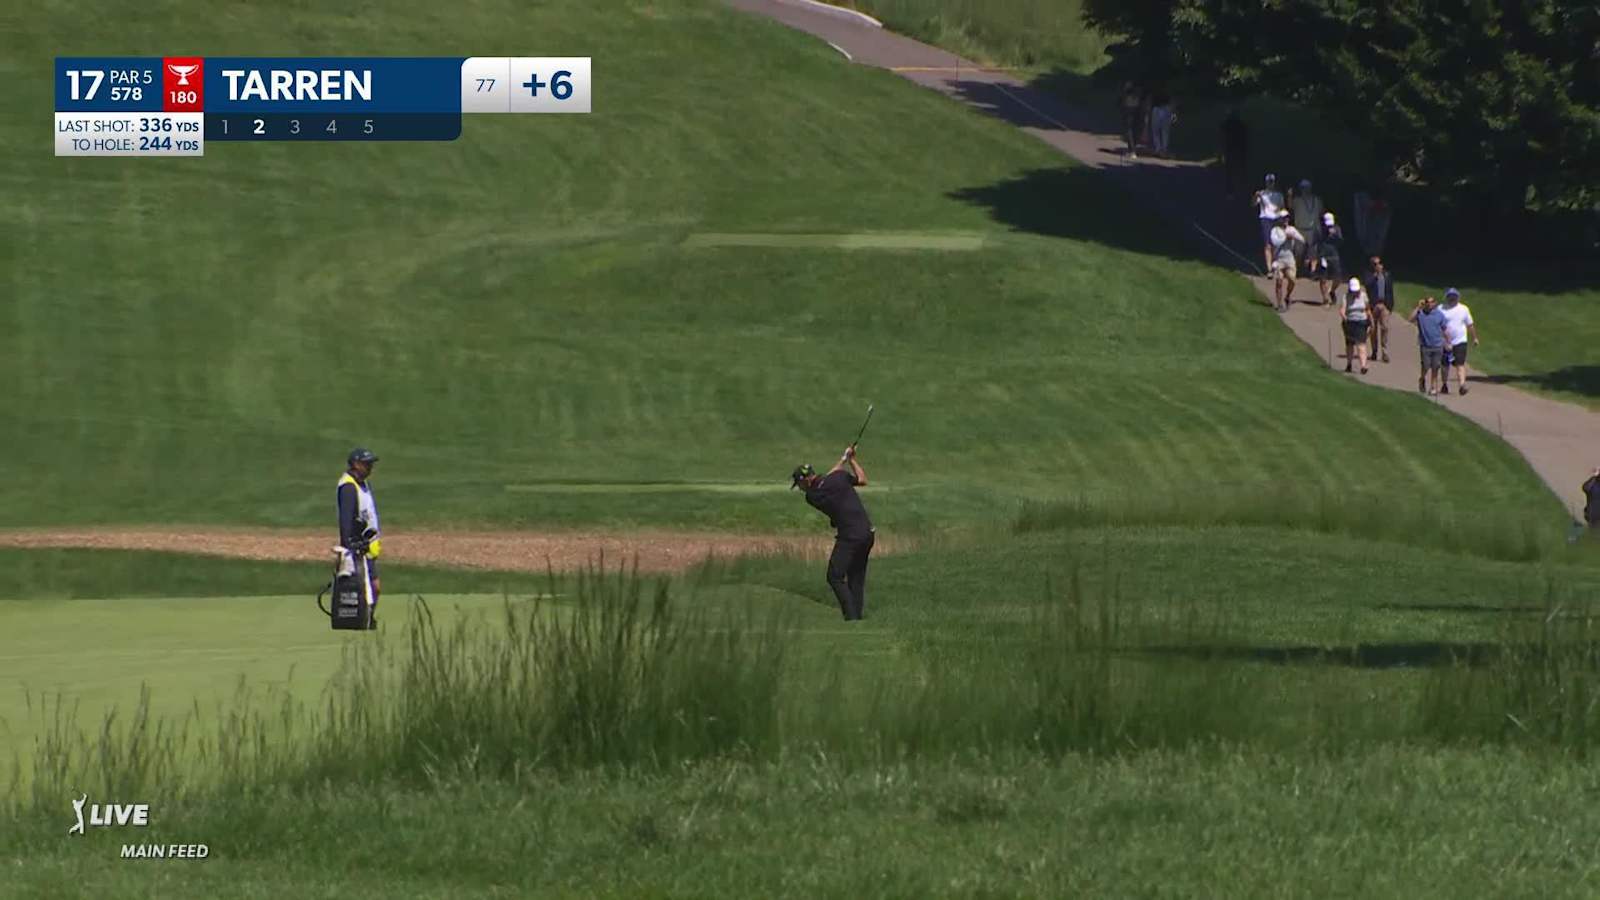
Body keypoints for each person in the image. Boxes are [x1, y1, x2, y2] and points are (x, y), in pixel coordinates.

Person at [792, 446, 875, 621]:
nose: (800, 489)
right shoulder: (839, 478)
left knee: (834, 576)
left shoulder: (812, 497)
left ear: (806, 481)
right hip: (867, 533)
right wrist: (850, 460)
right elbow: (862, 479)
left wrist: (843, 459)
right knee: (856, 578)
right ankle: (856, 620)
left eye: (799, 484)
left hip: (850, 536)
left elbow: (828, 479)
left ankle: (850, 617)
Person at [337, 447, 383, 618]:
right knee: (369, 588)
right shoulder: (348, 486)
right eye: (366, 464)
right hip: (358, 547)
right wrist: (349, 544)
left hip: (368, 546)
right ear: (356, 464)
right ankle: (364, 619)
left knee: (372, 588)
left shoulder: (363, 485)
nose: (370, 467)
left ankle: (367, 618)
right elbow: (346, 518)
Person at [1438, 288, 1479, 395]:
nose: (1452, 298)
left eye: (1454, 296)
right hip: (1445, 342)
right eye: (1450, 296)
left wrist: (1474, 338)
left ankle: (1462, 386)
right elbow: (1436, 324)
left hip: (1460, 341)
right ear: (1447, 297)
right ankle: (1444, 384)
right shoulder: (1441, 309)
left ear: (1457, 297)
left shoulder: (1464, 309)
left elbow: (1470, 324)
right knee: (1445, 365)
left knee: (1460, 364)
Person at [1407, 295, 1447, 395]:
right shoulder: (1420, 313)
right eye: (1427, 302)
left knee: (1436, 366)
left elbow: (1444, 329)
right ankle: (1422, 378)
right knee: (1426, 365)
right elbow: (1410, 319)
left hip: (1438, 345)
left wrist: (1448, 342)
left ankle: (1433, 387)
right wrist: (1418, 307)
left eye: (1431, 302)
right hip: (1425, 345)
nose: (1429, 304)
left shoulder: (1439, 315)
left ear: (1435, 303)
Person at [1269, 215, 1306, 311]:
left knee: (1292, 280)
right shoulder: (1275, 231)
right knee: (1279, 281)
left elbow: (1302, 239)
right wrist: (1285, 237)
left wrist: (1295, 237)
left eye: (1287, 218)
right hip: (1279, 259)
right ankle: (1279, 303)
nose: (1286, 220)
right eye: (1284, 218)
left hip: (1289, 258)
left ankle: (1288, 296)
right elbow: (1275, 242)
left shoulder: (1291, 229)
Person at [1364, 256, 1396, 363]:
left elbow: (1390, 291)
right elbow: (1367, 285)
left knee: (1385, 328)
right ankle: (1374, 351)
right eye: (1375, 264)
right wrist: (1375, 276)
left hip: (1384, 305)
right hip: (1373, 305)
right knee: (1373, 329)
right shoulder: (1369, 275)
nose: (1377, 266)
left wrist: (1390, 305)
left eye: (1379, 263)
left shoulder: (1387, 276)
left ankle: (1385, 352)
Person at [1253, 174, 1285, 273]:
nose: (1270, 183)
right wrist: (1256, 196)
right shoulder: (1262, 194)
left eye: (1272, 182)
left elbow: (1282, 207)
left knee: (1276, 243)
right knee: (1267, 245)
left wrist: (1279, 211)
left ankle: (1276, 265)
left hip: (1276, 218)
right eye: (1269, 182)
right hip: (1266, 219)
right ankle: (1269, 269)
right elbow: (1254, 204)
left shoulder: (1279, 195)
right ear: (1266, 182)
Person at [1311, 212, 1346, 306]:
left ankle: (1332, 290)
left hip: (1334, 255)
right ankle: (1325, 298)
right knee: (1323, 278)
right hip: (1323, 255)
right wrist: (1314, 257)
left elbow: (1341, 242)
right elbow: (1314, 243)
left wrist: (1335, 235)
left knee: (1338, 278)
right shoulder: (1319, 230)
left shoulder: (1337, 228)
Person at [1340, 277, 1371, 375]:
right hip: (1350, 322)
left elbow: (1367, 309)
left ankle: (1363, 366)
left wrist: (1371, 320)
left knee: (1361, 344)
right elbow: (1342, 309)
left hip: (1361, 322)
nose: (1355, 293)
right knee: (1350, 344)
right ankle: (1349, 364)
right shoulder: (1346, 297)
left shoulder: (1363, 296)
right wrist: (1344, 316)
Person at [1220, 108, 1249, 197]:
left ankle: (1231, 189)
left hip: (1230, 148)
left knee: (1230, 170)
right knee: (1238, 168)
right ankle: (1239, 188)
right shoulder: (1240, 124)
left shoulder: (1227, 124)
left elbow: (1222, 136)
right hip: (1237, 148)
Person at [1120, 82, 1143, 160]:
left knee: (1129, 132)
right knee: (1133, 131)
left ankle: (1132, 151)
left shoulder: (1128, 95)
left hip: (1130, 111)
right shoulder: (1137, 95)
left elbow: (1123, 103)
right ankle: (1132, 150)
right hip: (1135, 111)